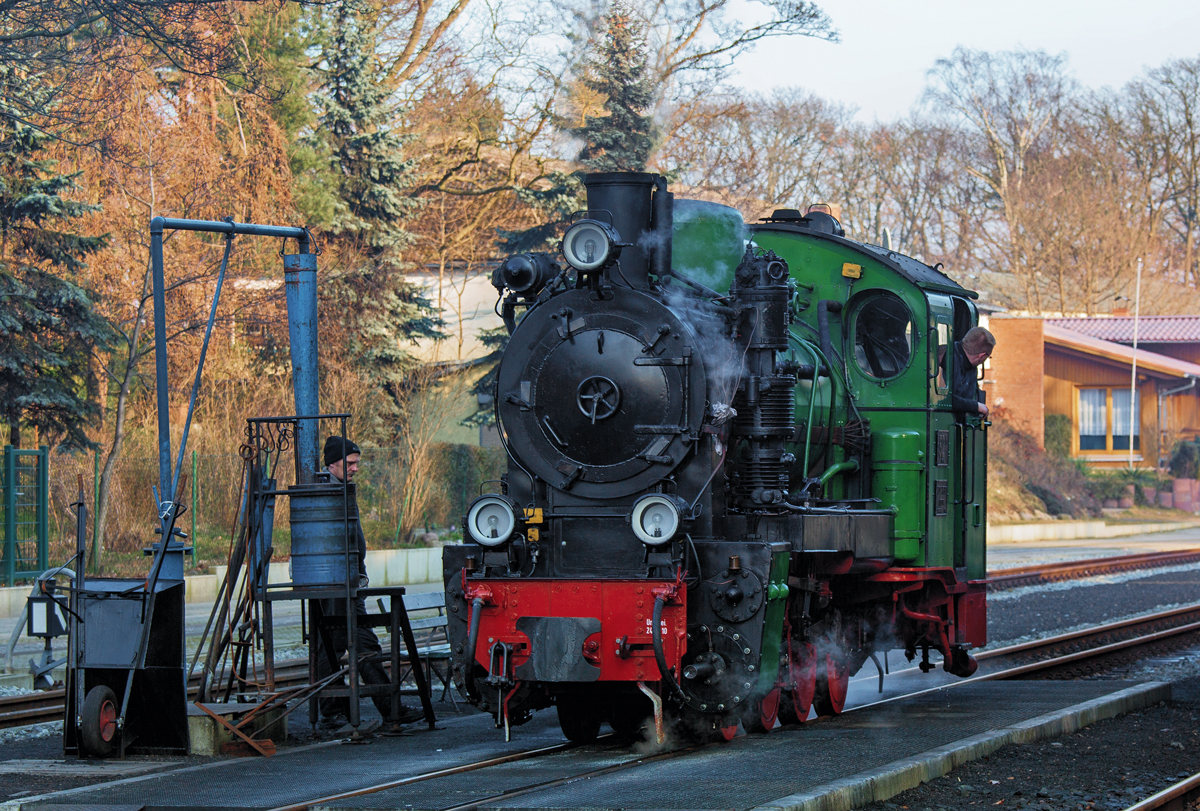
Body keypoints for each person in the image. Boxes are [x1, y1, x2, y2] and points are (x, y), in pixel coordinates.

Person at [315, 435, 421, 728]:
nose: (355, 468)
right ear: (332, 463)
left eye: (357, 463)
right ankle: (341, 711)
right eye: (350, 463)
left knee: (355, 644)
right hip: (337, 583)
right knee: (339, 644)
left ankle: (382, 709)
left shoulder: (342, 490)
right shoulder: (328, 493)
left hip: (349, 583)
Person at [950, 326, 995, 417]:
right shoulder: (947, 361)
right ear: (982, 356)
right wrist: (976, 406)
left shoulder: (970, 367)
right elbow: (943, 399)